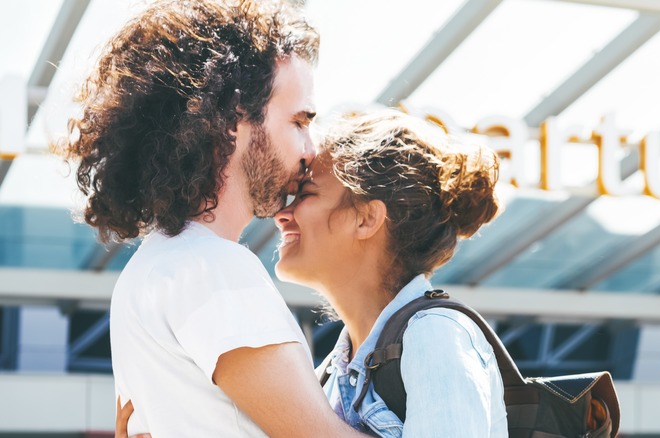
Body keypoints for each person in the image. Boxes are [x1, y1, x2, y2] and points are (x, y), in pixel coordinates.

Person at [65, 0, 369, 436]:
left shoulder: (153, 269)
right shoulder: (214, 270)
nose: (311, 149)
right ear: (232, 119)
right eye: (299, 121)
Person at [273, 109, 507, 437]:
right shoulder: (328, 376)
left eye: (306, 194)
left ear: (367, 218)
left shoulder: (435, 337)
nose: (282, 214)